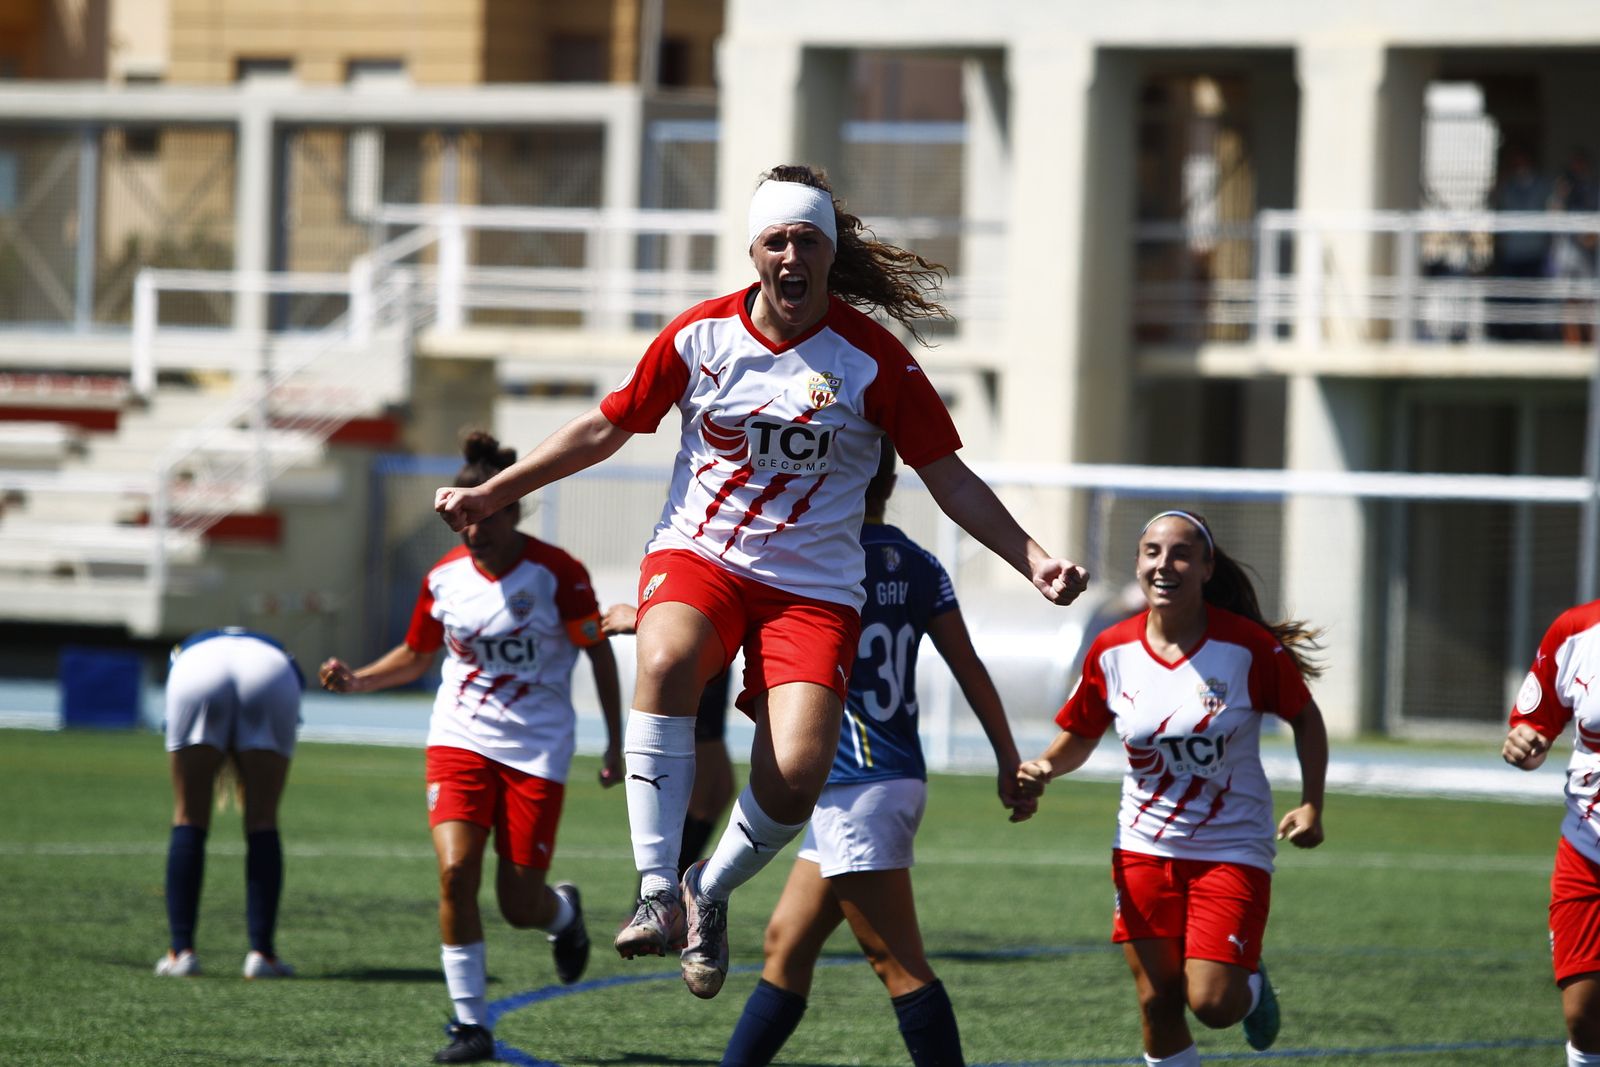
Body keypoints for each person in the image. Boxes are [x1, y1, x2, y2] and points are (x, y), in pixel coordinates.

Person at [434, 164, 1089, 1001]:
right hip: (700, 555)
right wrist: (496, 491)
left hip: (812, 587)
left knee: (802, 766)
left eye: (807, 240)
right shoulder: (699, 337)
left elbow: (949, 478)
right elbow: (605, 426)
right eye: (775, 239)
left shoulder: (872, 360)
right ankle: (656, 886)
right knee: (665, 659)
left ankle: (709, 887)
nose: (791, 254)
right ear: (753, 251)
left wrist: (1031, 556)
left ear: (829, 252)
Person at [720, 444, 1031, 1067]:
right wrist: (1006, 757)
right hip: (886, 778)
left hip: (854, 784)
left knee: (899, 965)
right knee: (785, 946)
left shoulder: (813, 560)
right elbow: (966, 664)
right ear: (889, 479)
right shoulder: (920, 564)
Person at [320, 430, 623, 1065]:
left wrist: (615, 742)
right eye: (459, 519)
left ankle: (563, 916)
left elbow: (595, 648)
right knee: (456, 873)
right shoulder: (442, 579)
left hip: (537, 748)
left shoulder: (558, 575)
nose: (470, 529)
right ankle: (469, 1025)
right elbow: (417, 655)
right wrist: (359, 680)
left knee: (519, 905)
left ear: (510, 506)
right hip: (459, 739)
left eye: (479, 513)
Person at [1014, 510, 1328, 1067]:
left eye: (1182, 553)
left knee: (1212, 1003)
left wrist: (1311, 804)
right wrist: (1043, 766)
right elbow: (1080, 733)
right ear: (1138, 563)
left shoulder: (1247, 648)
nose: (1165, 564)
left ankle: (1249, 987)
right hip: (1142, 846)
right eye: (1152, 552)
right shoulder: (1111, 649)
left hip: (1231, 849)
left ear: (1207, 568)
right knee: (1157, 1000)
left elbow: (1305, 718)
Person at [156, 627, 305, 979]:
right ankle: (262, 955)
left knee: (188, 816)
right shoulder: (271, 648)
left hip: (195, 666)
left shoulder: (193, 649)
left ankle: (181, 953)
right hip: (273, 669)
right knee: (263, 820)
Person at [1501, 598, 1600, 1067]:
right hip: (1587, 851)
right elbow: (1535, 723)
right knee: (1584, 1017)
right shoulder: (1577, 629)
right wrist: (1526, 742)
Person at [601, 601, 737, 878]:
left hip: (713, 639)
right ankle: (656, 903)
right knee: (697, 796)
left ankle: (666, 901)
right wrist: (646, 619)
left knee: (718, 790)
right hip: (697, 639)